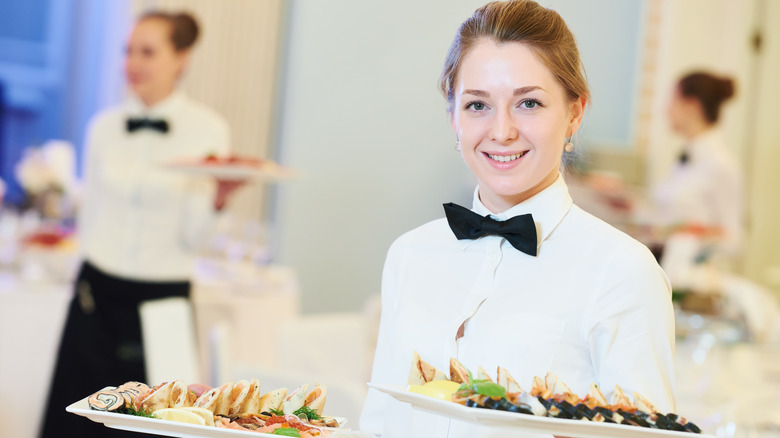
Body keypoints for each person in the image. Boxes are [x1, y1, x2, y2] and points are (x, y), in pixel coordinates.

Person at [360, 1, 675, 437]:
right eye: (477, 105)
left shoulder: (622, 271)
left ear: (574, 114)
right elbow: (380, 422)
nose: (502, 131)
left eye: (528, 103)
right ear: (453, 115)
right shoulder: (410, 255)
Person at [41, 11, 241, 438]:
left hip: (163, 299)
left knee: (163, 426)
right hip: (95, 295)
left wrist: (219, 200)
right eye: (128, 51)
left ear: (181, 59)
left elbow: (194, 238)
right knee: (76, 423)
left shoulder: (208, 130)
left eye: (147, 52)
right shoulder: (103, 127)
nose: (133, 62)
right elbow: (89, 215)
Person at [648, 72, 742, 265]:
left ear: (692, 106)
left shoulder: (722, 165)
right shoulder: (685, 158)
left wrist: (692, 235)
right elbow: (668, 218)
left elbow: (734, 240)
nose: (667, 111)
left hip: (690, 276)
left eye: (673, 101)